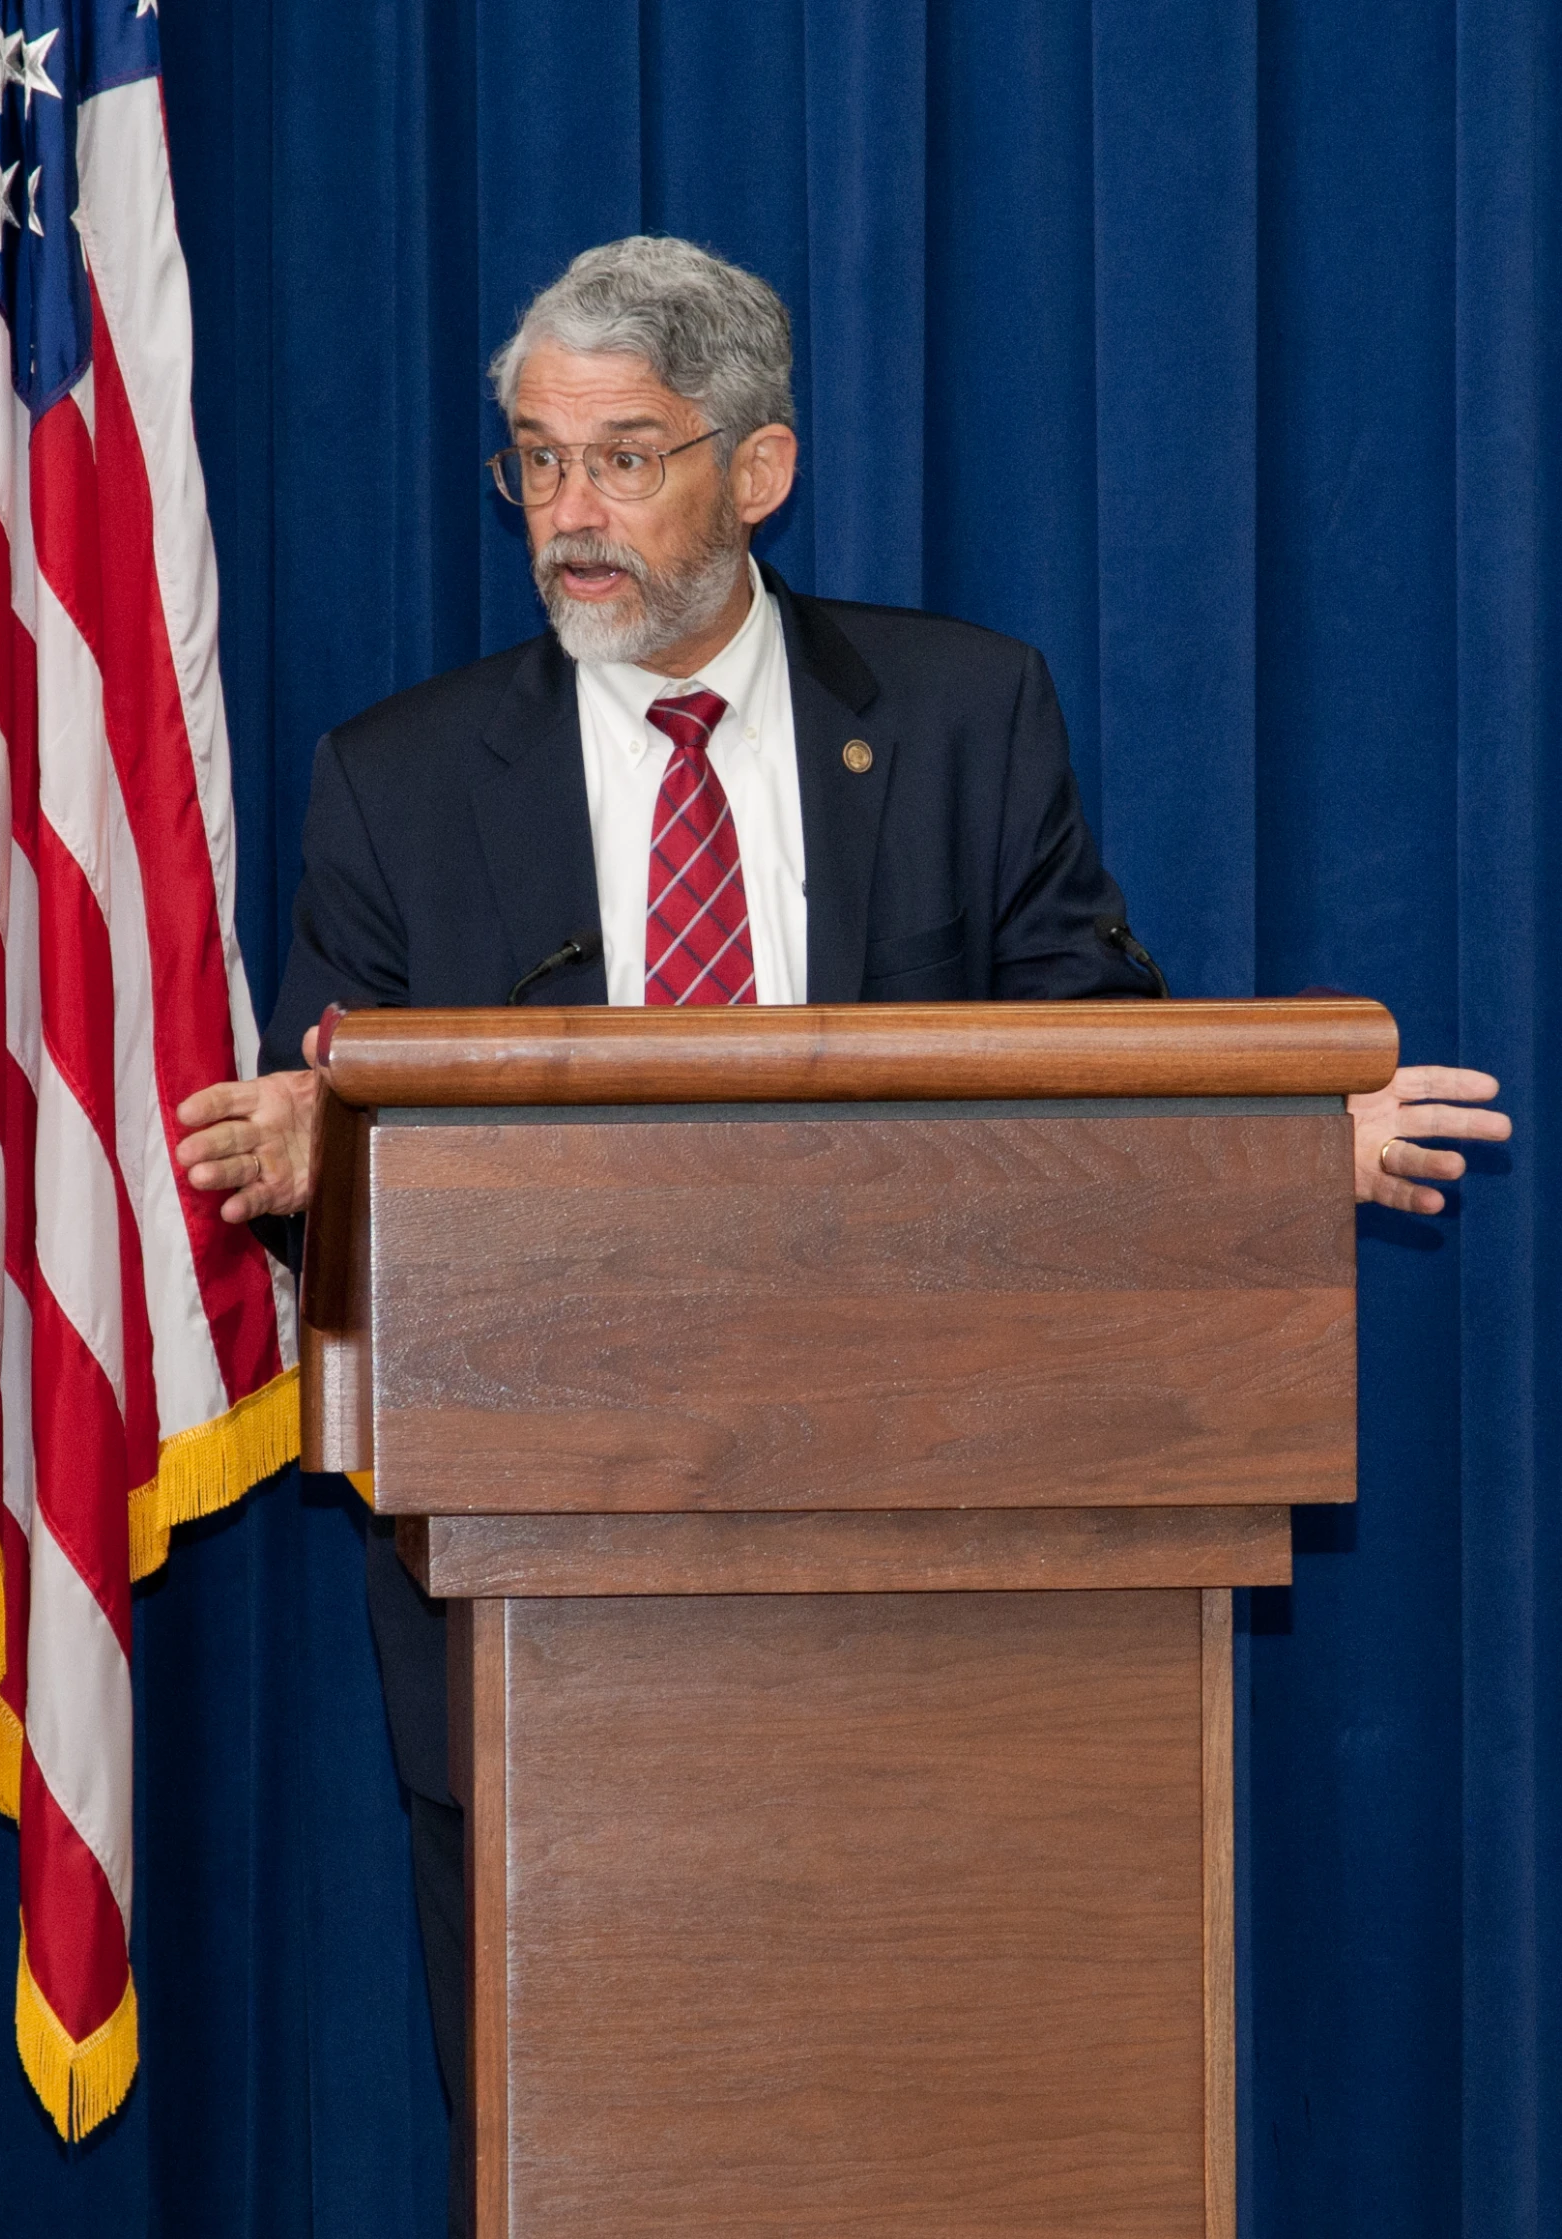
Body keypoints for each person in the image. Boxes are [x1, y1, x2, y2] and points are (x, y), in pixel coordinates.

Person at [173, 236, 1511, 2231]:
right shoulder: (397, 782)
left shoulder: (966, 716)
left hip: (941, 1569)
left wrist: (1261, 1148)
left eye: (624, 459)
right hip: (537, 1576)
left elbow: (1088, 1062)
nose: (570, 516)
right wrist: (330, 1146)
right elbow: (374, 1231)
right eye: (533, 464)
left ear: (760, 467)